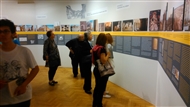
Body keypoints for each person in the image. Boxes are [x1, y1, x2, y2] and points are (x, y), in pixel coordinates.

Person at [0, 19, 39, 107]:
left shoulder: (24, 51)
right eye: (0, 31)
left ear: (13, 34)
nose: (2, 34)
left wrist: (24, 85)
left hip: (22, 96)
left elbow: (35, 69)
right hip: (3, 98)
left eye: (6, 31)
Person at [92, 33, 110, 107]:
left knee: (97, 87)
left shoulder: (95, 47)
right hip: (102, 70)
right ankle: (98, 104)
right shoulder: (102, 48)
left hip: (96, 69)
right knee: (101, 88)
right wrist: (108, 55)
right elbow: (103, 61)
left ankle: (94, 103)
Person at [103, 33, 114, 98]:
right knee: (105, 78)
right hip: (108, 62)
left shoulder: (105, 45)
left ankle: (104, 90)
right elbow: (108, 56)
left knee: (105, 78)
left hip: (107, 62)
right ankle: (103, 92)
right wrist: (110, 65)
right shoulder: (109, 46)